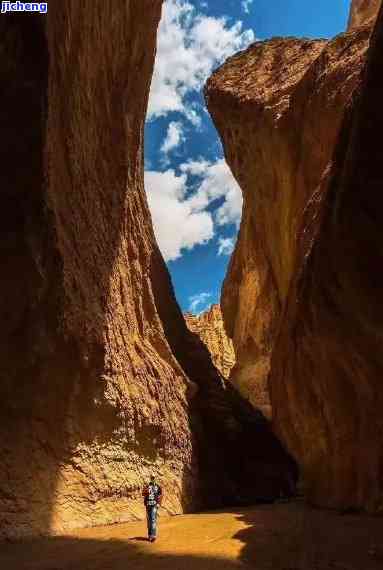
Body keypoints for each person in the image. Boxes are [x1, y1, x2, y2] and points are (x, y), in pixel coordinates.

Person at [142, 474, 163, 542]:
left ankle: (153, 535)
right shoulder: (147, 486)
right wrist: (146, 490)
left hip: (154, 505)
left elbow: (160, 495)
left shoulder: (158, 486)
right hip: (148, 505)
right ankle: (149, 535)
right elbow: (143, 493)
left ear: (155, 478)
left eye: (153, 478)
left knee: (153, 519)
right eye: (151, 478)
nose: (152, 479)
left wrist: (158, 504)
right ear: (150, 478)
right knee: (149, 521)